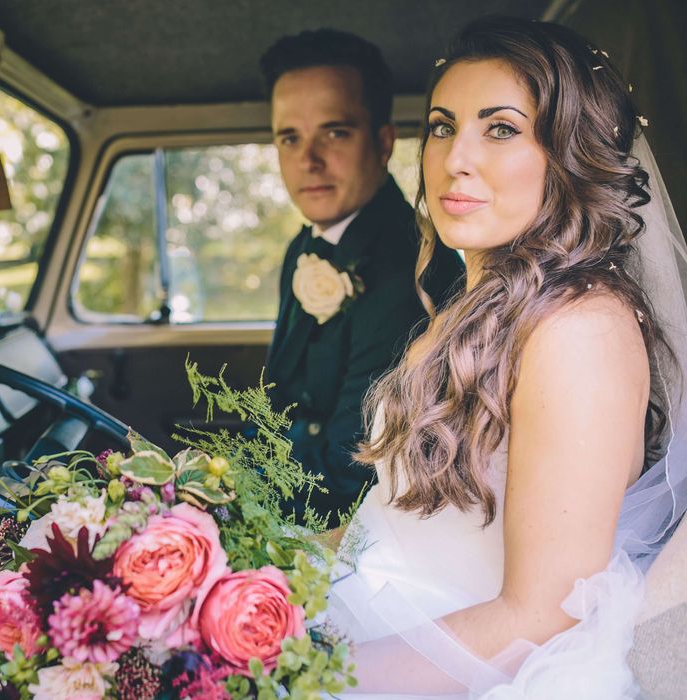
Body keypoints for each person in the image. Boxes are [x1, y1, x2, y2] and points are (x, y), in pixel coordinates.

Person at [327, 15, 687, 698]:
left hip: (468, 664)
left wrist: (308, 681)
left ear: (568, 154)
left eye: (500, 129)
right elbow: (400, 517)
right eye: (441, 125)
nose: (456, 158)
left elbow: (543, 616)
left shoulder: (579, 330)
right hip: (371, 620)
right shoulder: (471, 309)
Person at [260, 29, 465, 525]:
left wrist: (243, 508)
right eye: (290, 137)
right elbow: (278, 398)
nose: (308, 160)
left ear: (383, 142)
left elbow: (356, 465)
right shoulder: (304, 246)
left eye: (335, 132)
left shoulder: (410, 268)